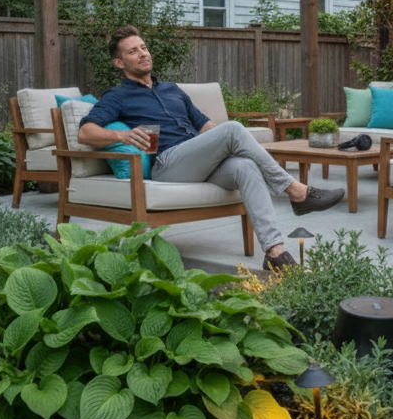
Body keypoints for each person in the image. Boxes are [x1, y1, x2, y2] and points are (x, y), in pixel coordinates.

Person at [77, 25, 344, 270]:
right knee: (235, 128)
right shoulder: (117, 96)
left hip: (197, 159)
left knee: (246, 165)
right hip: (167, 164)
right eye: (133, 51)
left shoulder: (173, 90)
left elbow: (204, 125)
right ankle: (297, 192)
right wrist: (122, 137)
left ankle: (275, 254)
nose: (142, 54)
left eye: (143, 47)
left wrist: (233, 143)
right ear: (119, 62)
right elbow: (85, 133)